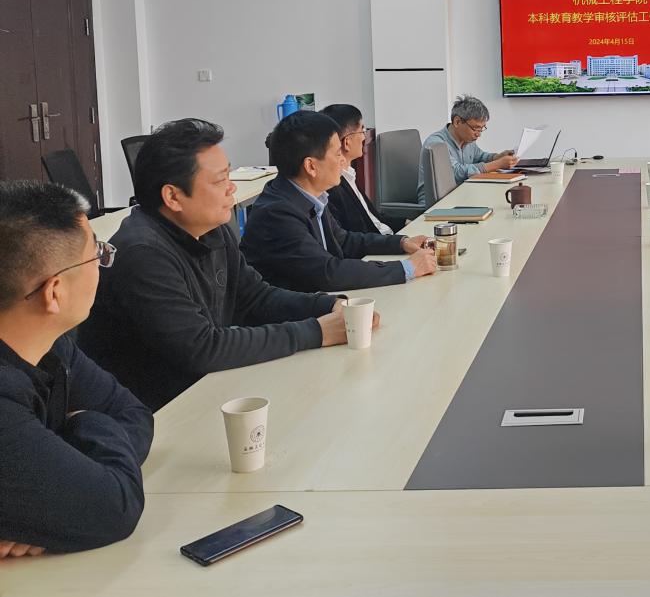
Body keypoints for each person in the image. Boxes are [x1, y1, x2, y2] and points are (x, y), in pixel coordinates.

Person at [77, 119, 377, 411]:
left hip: (206, 390)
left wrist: (329, 305)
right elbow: (202, 348)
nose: (232, 189)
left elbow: (255, 297)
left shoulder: (210, 228)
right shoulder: (142, 253)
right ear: (173, 196)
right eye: (220, 180)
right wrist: (317, 331)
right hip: (159, 412)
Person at [0, 180, 153, 555]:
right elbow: (114, 508)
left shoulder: (51, 345)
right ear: (54, 292)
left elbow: (134, 415)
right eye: (95, 254)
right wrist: (86, 427)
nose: (101, 264)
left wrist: (60, 477)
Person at [244, 111, 437, 292]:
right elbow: (327, 273)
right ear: (311, 166)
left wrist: (402, 243)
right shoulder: (277, 213)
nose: (342, 161)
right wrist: (406, 268)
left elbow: (344, 240)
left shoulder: (311, 195)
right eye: (337, 154)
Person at [417, 95, 518, 208]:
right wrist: (498, 164)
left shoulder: (467, 140)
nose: (478, 134)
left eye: (482, 128)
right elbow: (456, 172)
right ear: (457, 122)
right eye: (475, 128)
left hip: (461, 196)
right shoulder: (436, 144)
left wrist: (498, 157)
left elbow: (480, 156)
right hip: (438, 205)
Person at [321, 104, 398, 233]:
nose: (364, 136)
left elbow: (375, 218)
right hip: (378, 243)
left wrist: (406, 223)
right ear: (347, 142)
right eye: (362, 131)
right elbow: (352, 237)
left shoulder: (349, 175)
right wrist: (400, 242)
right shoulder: (333, 186)